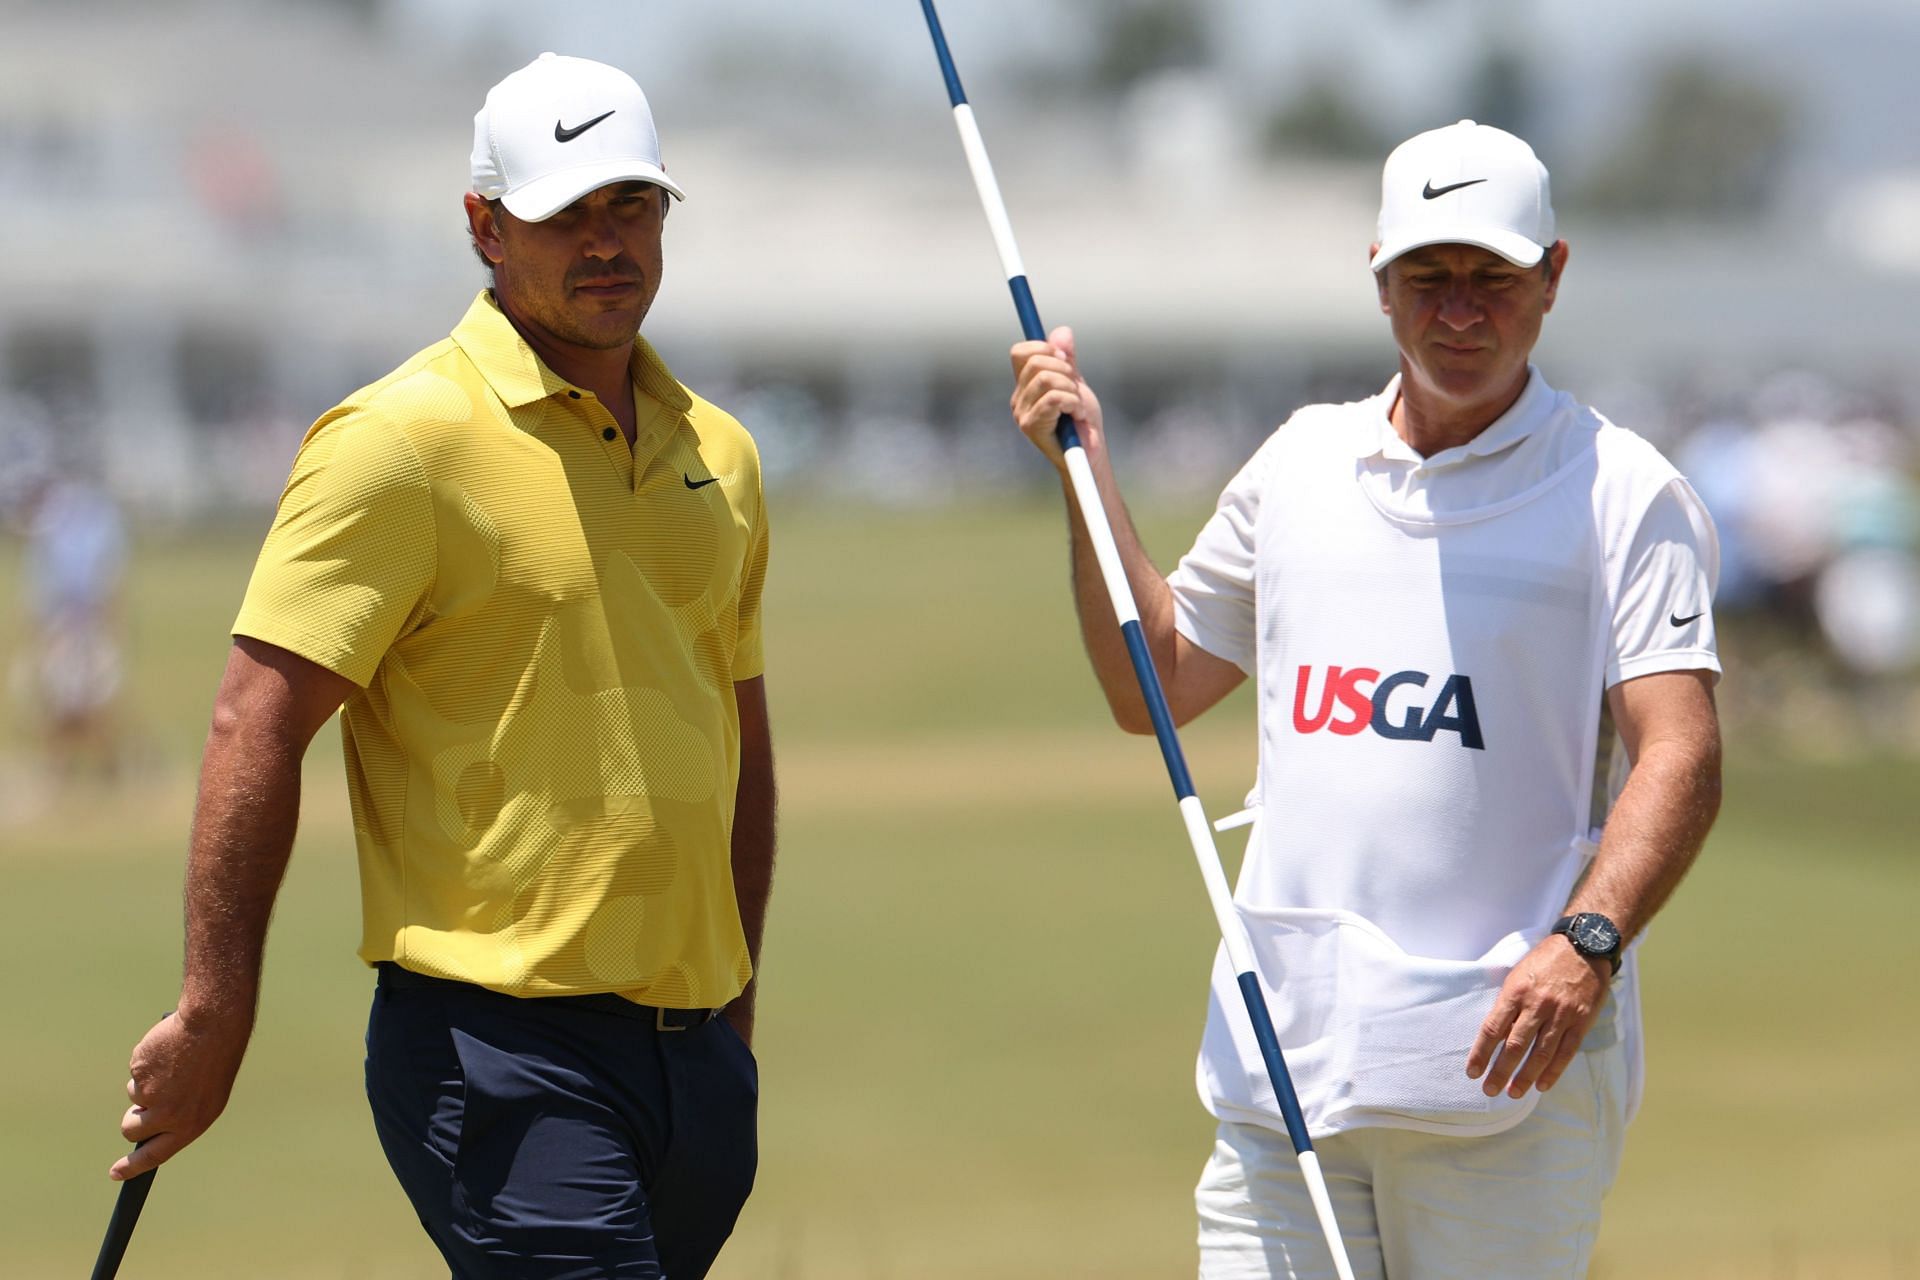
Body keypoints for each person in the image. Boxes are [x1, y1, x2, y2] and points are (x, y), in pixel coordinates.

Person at [1009, 120, 1722, 1278]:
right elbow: (1161, 683)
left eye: (1492, 277)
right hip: (1286, 1063)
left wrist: (1587, 942)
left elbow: (1680, 751)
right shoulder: (1299, 462)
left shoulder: (1622, 490)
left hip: (1506, 1068)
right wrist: (1084, 473)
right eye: (1427, 278)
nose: (1459, 310)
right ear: (1380, 281)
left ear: (1553, 278)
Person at [111, 53, 775, 1279]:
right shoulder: (398, 441)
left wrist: (734, 1001)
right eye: (562, 214)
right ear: (483, 225)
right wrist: (215, 1009)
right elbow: (253, 720)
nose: (605, 242)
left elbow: (735, 738)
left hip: (694, 1062)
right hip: (500, 1051)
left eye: (629, 205)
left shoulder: (719, 454)